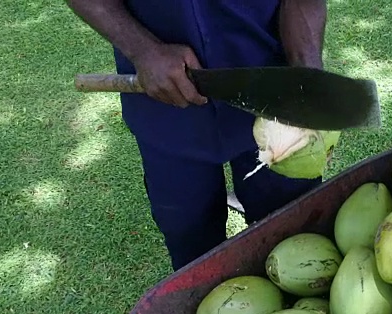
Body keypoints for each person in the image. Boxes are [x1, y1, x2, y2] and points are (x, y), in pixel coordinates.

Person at [66, 0, 328, 271]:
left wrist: (307, 73)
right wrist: (143, 50)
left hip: (273, 98)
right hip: (166, 102)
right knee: (192, 240)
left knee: (294, 231)